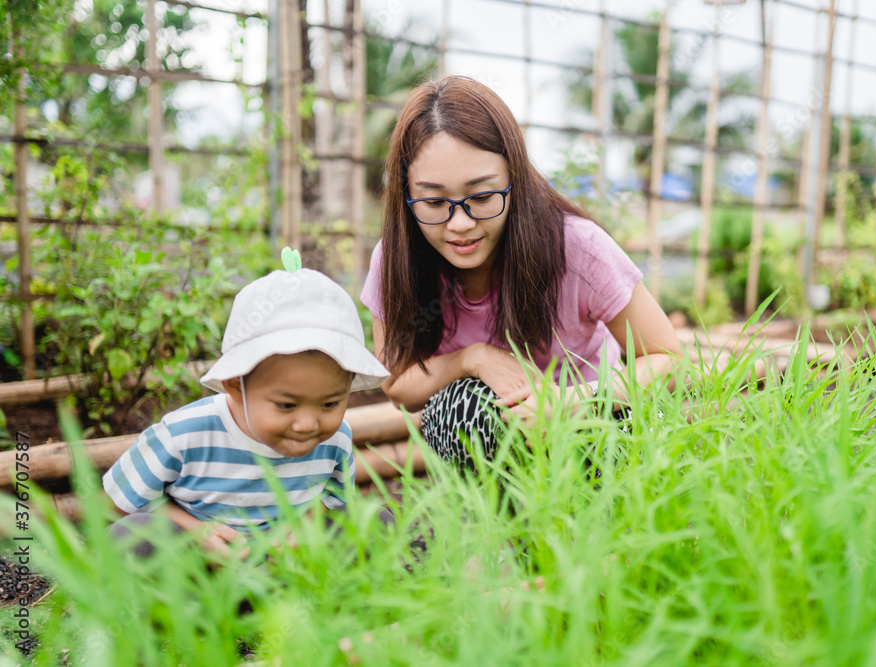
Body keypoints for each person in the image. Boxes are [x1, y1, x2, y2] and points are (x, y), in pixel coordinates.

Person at [361, 75, 683, 469]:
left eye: (481, 196)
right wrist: (472, 359)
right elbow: (397, 385)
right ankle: (495, 523)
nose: (460, 224)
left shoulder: (577, 247)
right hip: (493, 434)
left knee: (633, 426)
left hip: (590, 422)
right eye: (433, 201)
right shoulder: (396, 259)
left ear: (515, 179)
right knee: (454, 409)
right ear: (406, 195)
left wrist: (570, 401)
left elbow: (668, 357)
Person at [103, 261, 390, 557]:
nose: (308, 423)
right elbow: (119, 502)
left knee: (376, 522)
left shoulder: (336, 439)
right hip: (201, 569)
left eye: (330, 403)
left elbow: (333, 498)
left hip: (285, 568)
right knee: (129, 535)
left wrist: (303, 526)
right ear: (234, 384)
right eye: (286, 405)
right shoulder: (184, 434)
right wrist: (196, 530)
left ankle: (305, 599)